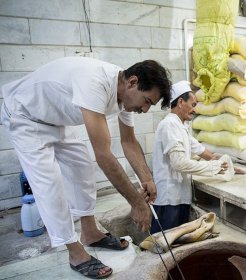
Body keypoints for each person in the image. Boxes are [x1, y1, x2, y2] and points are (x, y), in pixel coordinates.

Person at [1, 56, 171, 279]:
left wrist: (146, 177)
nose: (146, 109)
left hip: (53, 120)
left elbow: (128, 141)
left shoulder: (125, 96)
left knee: (81, 164)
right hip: (24, 114)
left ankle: (90, 233)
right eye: (147, 101)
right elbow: (103, 155)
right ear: (132, 82)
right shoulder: (95, 83)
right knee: (49, 184)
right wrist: (137, 202)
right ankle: (75, 252)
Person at [151, 80, 245, 234]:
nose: (195, 110)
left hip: (179, 196)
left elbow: (201, 150)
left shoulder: (181, 126)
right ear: (181, 102)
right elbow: (179, 163)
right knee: (163, 243)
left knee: (177, 241)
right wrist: (215, 168)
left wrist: (227, 164)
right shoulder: (169, 125)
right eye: (193, 105)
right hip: (169, 198)